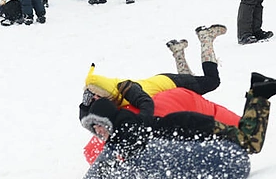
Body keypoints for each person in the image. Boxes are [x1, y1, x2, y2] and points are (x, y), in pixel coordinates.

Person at [80, 25, 241, 163]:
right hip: (171, 90)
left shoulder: (124, 89)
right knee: (194, 88)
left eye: (96, 97)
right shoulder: (109, 100)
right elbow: (87, 115)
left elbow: (145, 103)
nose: (95, 101)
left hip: (170, 83)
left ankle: (206, 39)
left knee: (211, 81)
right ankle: (178, 52)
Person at [80, 73, 276, 158]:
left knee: (251, 144)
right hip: (187, 118)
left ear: (109, 121)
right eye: (95, 129)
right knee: (242, 136)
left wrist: (127, 88)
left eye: (99, 127)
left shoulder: (129, 128)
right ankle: (257, 86)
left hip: (193, 125)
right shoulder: (125, 124)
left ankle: (260, 94)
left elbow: (145, 102)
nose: (98, 133)